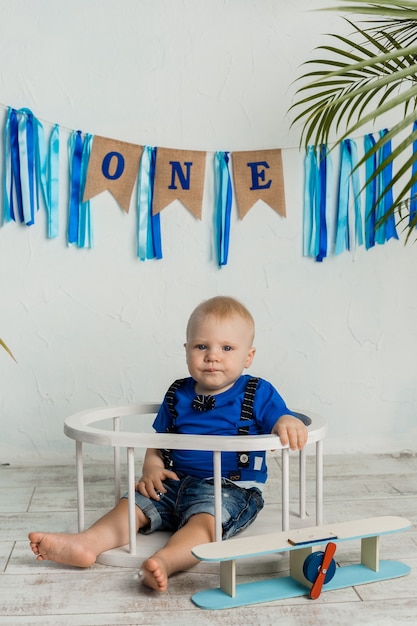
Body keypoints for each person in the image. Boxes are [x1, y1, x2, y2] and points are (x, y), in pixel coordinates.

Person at [29, 296, 308, 592]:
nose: (213, 356)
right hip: (174, 481)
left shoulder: (258, 392)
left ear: (248, 357)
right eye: (202, 346)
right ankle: (87, 544)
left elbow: (281, 417)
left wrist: (285, 423)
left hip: (231, 489)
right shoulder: (177, 393)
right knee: (132, 504)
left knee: (204, 523)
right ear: (186, 350)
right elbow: (160, 440)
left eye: (227, 348)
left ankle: (165, 561)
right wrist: (152, 467)